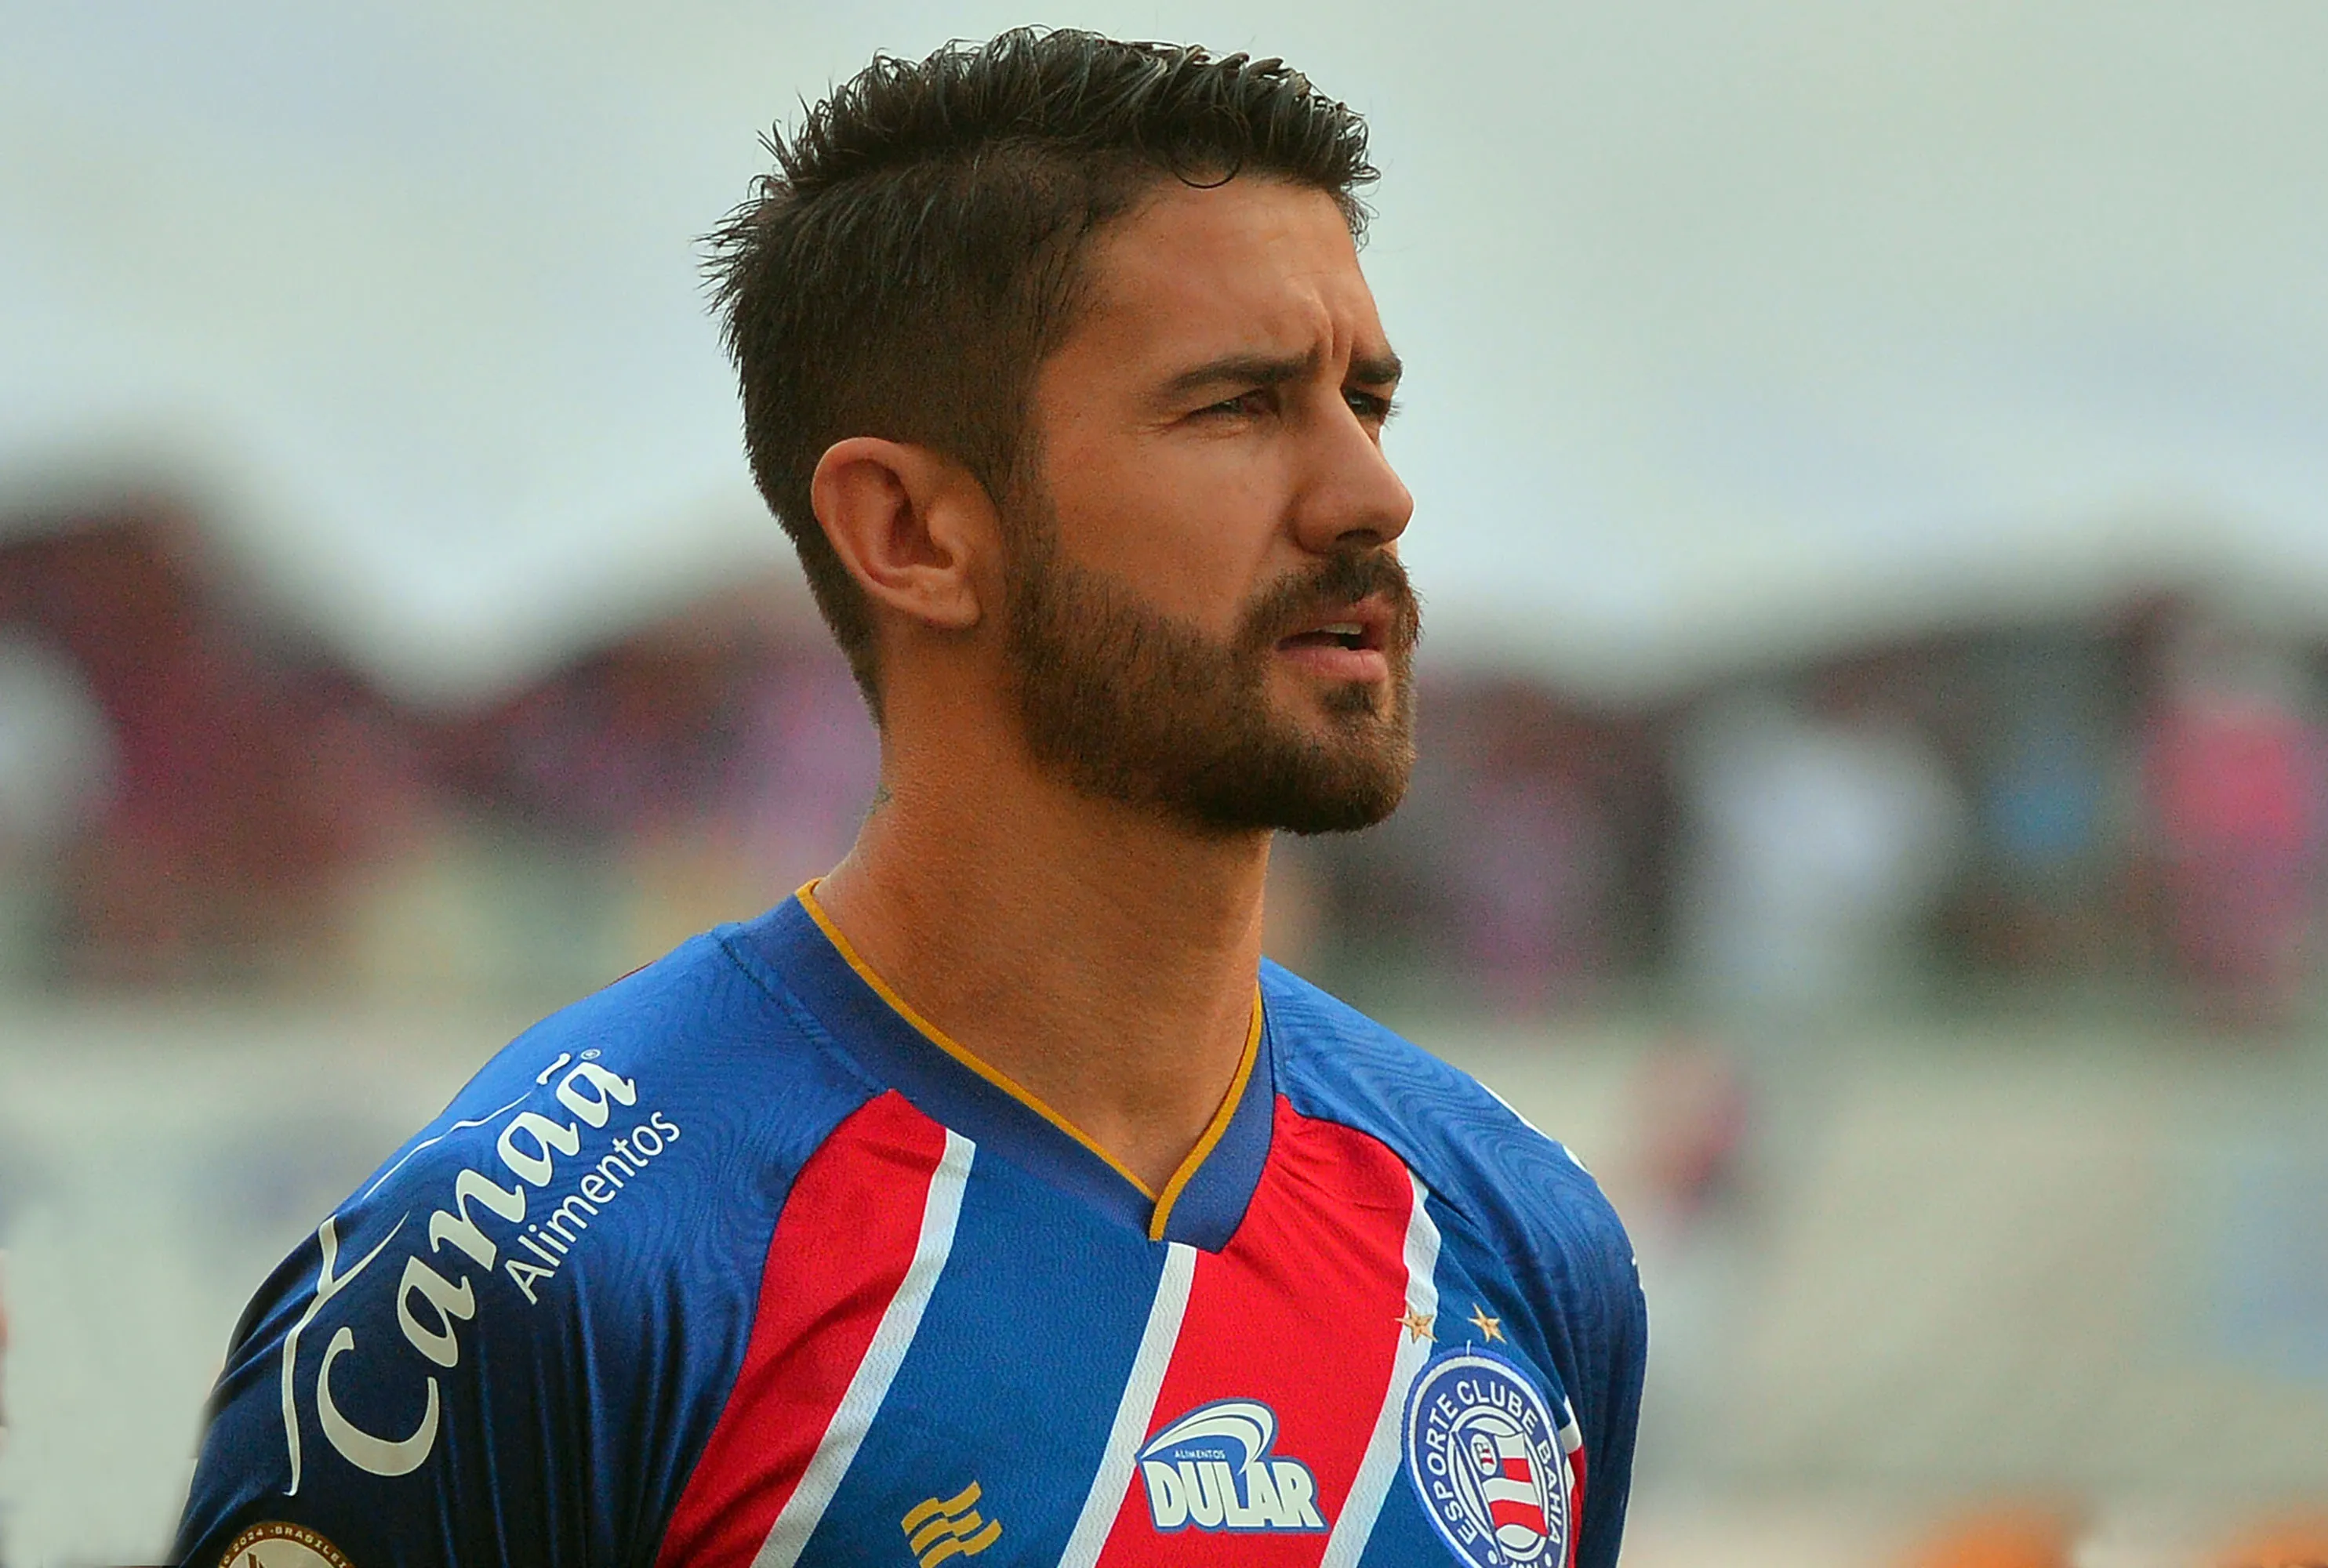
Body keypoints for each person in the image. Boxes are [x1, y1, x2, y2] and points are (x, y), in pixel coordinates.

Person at [175, 30, 1644, 1568]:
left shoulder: (1517, 1232)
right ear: (911, 529)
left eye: (1367, 400)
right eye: (1236, 406)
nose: (1373, 493)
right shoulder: (547, 1263)